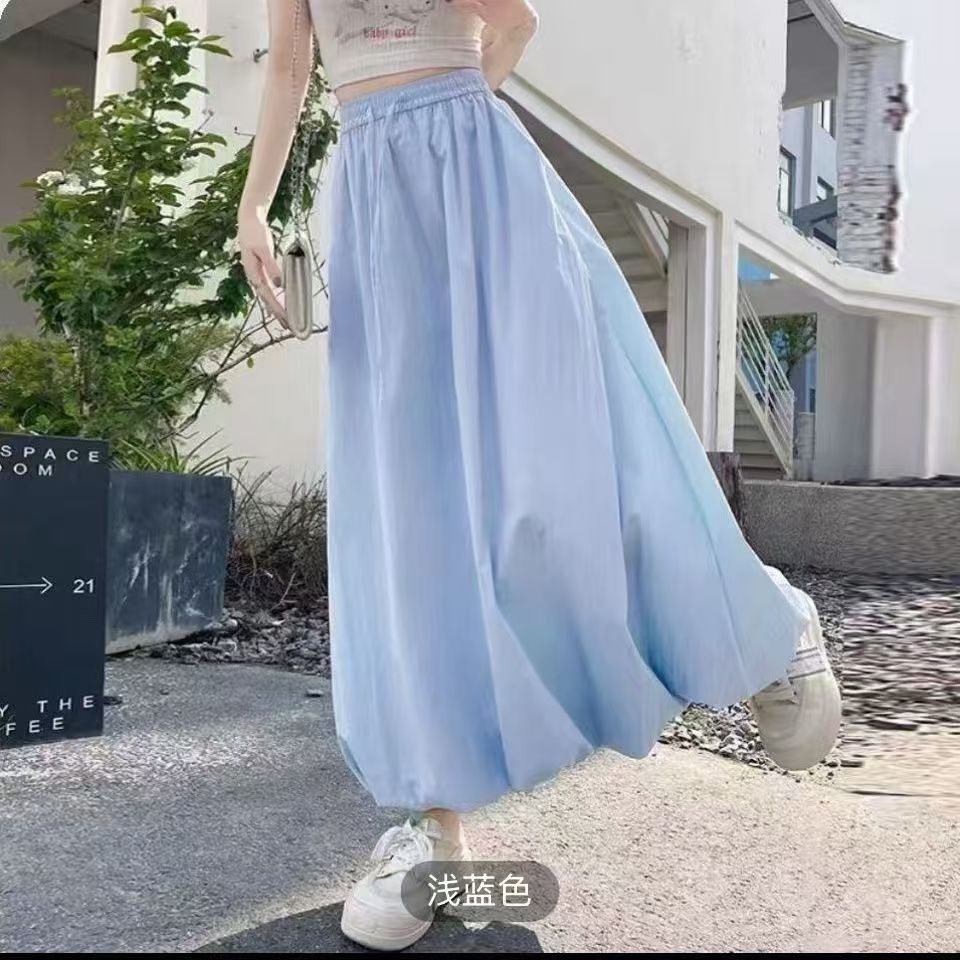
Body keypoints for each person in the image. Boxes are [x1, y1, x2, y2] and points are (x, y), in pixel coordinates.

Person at [238, 0, 842, 951]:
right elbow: (287, 62)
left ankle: (761, 621)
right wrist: (254, 205)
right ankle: (436, 824)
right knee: (407, 506)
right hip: (372, 188)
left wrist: (447, 127)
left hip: (478, 178)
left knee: (559, 469)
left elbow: (512, 24)